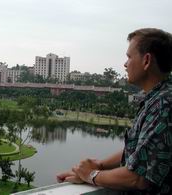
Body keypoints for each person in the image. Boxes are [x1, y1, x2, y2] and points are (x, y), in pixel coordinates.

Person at [57, 28, 172, 194]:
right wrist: (99, 165)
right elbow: (142, 151)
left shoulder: (163, 105)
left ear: (146, 61)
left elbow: (138, 178)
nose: (125, 64)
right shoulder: (157, 99)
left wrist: (91, 175)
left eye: (129, 57)